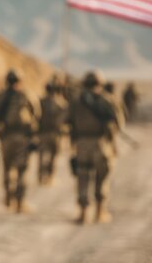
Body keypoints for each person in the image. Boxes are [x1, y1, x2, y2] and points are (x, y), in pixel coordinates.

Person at [69, 71, 119, 224]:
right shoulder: (107, 100)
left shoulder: (77, 100)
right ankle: (100, 212)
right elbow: (118, 122)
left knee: (83, 177)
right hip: (101, 144)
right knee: (102, 178)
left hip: (82, 144)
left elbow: (67, 120)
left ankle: (83, 214)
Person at [0, 70, 39, 213]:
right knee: (22, 170)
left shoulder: (1, 96)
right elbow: (37, 113)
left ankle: (8, 198)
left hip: (7, 138)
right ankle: (19, 203)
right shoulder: (26, 95)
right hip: (22, 138)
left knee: (8, 168)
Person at [37, 81, 68, 185]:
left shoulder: (40, 102)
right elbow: (65, 119)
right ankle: (50, 176)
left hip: (43, 133)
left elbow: (36, 116)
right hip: (56, 134)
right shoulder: (61, 103)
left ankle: (41, 176)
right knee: (53, 156)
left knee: (41, 155)